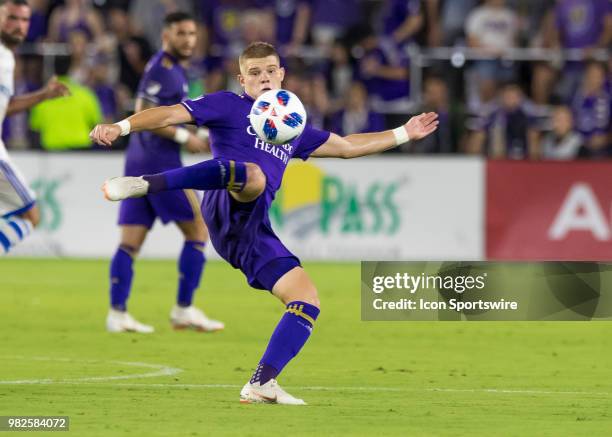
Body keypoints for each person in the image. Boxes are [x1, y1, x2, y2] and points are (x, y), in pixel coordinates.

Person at [89, 41, 438, 405]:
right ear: (242, 80)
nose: (264, 78)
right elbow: (166, 115)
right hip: (225, 207)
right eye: (254, 73)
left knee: (306, 298)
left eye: (271, 70)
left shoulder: (291, 125)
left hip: (254, 229)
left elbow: (347, 146)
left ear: (282, 74)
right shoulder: (226, 104)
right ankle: (147, 183)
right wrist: (121, 126)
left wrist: (403, 133)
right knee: (253, 175)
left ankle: (262, 382)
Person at [105, 12, 223, 334]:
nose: (188, 39)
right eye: (181, 33)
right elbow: (144, 112)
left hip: (137, 162)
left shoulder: (175, 70)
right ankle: (184, 309)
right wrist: (187, 137)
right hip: (160, 163)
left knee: (130, 241)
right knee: (198, 231)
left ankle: (117, 313)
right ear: (166, 35)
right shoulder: (163, 69)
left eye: (192, 33)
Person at [0, 0, 69, 255]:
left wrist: (42, 95)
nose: (18, 26)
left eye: (24, 20)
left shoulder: (7, 56)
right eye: (11, 18)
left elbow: (4, 106)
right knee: (31, 215)